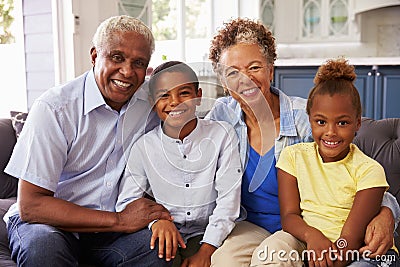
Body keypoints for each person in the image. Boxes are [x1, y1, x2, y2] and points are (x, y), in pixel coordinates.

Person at [205, 17, 400, 266]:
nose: (245, 79)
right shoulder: (221, 116)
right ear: (223, 81)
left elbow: (353, 170)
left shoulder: (307, 120)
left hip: (301, 227)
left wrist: (387, 212)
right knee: (224, 260)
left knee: (273, 257)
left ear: (271, 70)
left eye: (255, 67)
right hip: (248, 225)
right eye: (233, 72)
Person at [3, 15, 173, 267]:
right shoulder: (55, 109)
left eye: (138, 63)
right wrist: (120, 220)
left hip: (111, 236)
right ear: (94, 56)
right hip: (50, 225)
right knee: (44, 248)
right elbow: (32, 205)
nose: (127, 72)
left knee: (158, 249)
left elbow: (192, 127)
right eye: (117, 57)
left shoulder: (153, 103)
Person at [259, 58, 397, 266]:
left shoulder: (369, 170)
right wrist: (312, 236)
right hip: (309, 242)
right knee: (272, 250)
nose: (331, 132)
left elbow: (349, 240)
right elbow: (289, 217)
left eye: (342, 123)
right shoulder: (293, 157)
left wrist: (329, 255)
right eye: (321, 122)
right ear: (310, 120)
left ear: (358, 123)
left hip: (359, 251)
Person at [116, 61, 242, 267]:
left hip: (211, 232)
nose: (174, 102)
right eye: (164, 95)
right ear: (152, 101)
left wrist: (207, 249)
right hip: (168, 233)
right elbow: (127, 202)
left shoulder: (222, 134)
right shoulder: (143, 147)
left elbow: (229, 200)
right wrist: (157, 220)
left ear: (198, 95)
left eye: (184, 93)